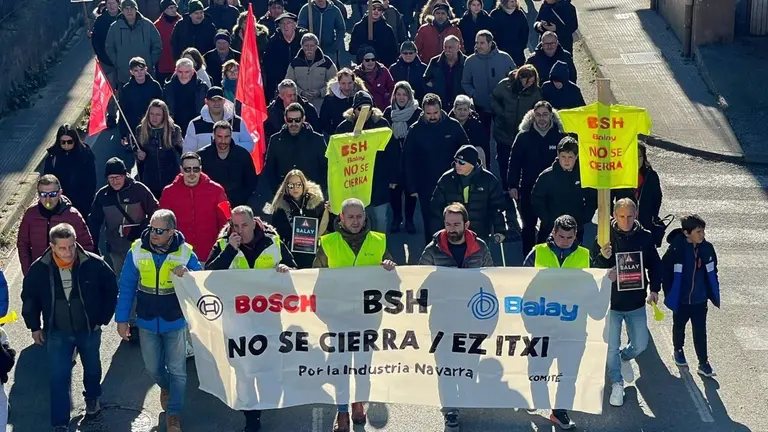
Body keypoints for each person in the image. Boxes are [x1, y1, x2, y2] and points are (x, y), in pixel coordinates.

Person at [205, 205, 296, 432]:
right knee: (244, 369)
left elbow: (295, 268)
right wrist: (229, 251)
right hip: (237, 319)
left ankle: (266, 398)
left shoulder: (272, 240)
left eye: (244, 225)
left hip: (268, 317)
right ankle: (251, 418)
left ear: (254, 222)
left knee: (266, 364)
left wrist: (286, 269)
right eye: (235, 225)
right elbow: (208, 278)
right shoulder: (224, 243)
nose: (239, 230)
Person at [21, 223, 118, 431]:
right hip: (57, 332)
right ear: (52, 246)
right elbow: (29, 299)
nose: (69, 252)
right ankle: (60, 422)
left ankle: (93, 399)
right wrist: (34, 327)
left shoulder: (94, 264)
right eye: (63, 248)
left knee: (92, 368)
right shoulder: (40, 269)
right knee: (58, 376)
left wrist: (102, 318)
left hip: (89, 330)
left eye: (72, 246)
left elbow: (111, 288)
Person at [312, 197, 397, 432]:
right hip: (338, 318)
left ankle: (358, 403)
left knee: (362, 367)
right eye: (351, 217)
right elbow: (315, 278)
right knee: (340, 367)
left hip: (368, 319)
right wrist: (324, 314)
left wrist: (390, 267)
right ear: (341, 218)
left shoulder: (378, 241)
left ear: (365, 217)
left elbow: (395, 280)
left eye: (359, 216)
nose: (356, 221)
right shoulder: (328, 243)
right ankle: (342, 411)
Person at [116, 210, 202, 432]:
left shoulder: (185, 253)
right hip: (146, 321)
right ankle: (165, 386)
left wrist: (189, 275)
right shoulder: (137, 250)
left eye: (159, 230)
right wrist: (122, 320)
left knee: (178, 370)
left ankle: (173, 414)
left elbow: (200, 284)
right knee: (153, 367)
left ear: (172, 231)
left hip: (175, 321)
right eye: (152, 228)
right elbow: (126, 287)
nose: (153, 234)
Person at [417, 201, 492, 430]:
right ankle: (450, 410)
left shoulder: (480, 247)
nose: (451, 229)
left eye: (456, 224)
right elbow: (419, 284)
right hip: (442, 320)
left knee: (469, 363)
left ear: (466, 224)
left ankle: (464, 395)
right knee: (446, 367)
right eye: (448, 224)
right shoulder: (432, 250)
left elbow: (491, 279)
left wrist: (490, 319)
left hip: (473, 320)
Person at [522, 214, 593, 430]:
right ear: (553, 233)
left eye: (569, 237)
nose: (564, 241)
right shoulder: (538, 252)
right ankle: (537, 399)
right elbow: (519, 283)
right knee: (537, 367)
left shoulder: (585, 255)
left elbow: (592, 287)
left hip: (573, 328)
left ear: (575, 236)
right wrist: (529, 322)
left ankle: (559, 412)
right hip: (542, 326)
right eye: (561, 236)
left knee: (568, 373)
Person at [590, 198, 662, 408]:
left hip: (636, 302)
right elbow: (591, 266)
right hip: (611, 303)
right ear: (614, 216)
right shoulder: (603, 237)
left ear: (636, 214)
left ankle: (625, 355)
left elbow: (655, 265)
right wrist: (604, 263)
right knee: (611, 346)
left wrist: (655, 289)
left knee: (641, 344)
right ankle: (617, 383)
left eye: (630, 216)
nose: (626, 220)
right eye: (622, 216)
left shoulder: (645, 238)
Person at [403, 93, 470, 240]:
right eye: (429, 114)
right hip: (426, 185)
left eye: (435, 113)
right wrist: (411, 187)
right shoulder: (415, 130)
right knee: (431, 222)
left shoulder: (453, 126)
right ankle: (433, 254)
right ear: (423, 112)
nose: (432, 116)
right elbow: (408, 160)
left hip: (453, 183)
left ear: (441, 109)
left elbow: (467, 151)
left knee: (453, 220)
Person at [662, 214, 719, 377]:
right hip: (681, 300)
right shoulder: (676, 249)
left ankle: (703, 362)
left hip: (699, 300)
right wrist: (668, 293)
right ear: (687, 233)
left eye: (703, 231)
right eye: (698, 232)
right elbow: (665, 271)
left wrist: (712, 291)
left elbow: (713, 270)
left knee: (700, 330)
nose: (702, 235)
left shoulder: (707, 248)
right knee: (679, 326)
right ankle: (678, 349)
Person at [335, 91, 398, 233]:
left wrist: (393, 177)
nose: (365, 112)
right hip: (355, 182)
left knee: (381, 218)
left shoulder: (381, 124)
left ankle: (381, 250)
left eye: (368, 108)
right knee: (357, 220)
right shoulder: (344, 127)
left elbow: (393, 152)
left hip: (378, 180)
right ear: (353, 109)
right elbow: (336, 155)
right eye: (360, 109)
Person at [507, 101, 565, 255]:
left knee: (548, 226)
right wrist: (512, 185)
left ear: (551, 115)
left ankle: (544, 256)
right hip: (528, 188)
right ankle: (528, 258)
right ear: (533, 116)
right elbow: (514, 162)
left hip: (552, 190)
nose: (541, 118)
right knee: (528, 227)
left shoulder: (560, 136)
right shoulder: (524, 136)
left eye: (545, 114)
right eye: (538, 115)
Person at [88, 157, 159, 277]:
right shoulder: (102, 195)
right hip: (115, 248)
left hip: (140, 246)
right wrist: (93, 246)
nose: (115, 181)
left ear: (125, 175)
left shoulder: (139, 189)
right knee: (121, 280)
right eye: (111, 178)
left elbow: (156, 212)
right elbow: (94, 221)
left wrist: (143, 229)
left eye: (118, 177)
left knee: (143, 278)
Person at [18, 174, 95, 276]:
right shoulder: (31, 215)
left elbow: (86, 246)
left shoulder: (73, 215)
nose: (48, 199)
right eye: (43, 194)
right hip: (40, 272)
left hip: (68, 273)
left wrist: (80, 272)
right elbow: (22, 244)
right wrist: (29, 272)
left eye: (52, 194)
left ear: (60, 193)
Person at [159, 152, 230, 262]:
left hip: (210, 255)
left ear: (201, 169)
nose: (192, 173)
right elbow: (162, 224)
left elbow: (226, 222)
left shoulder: (217, 190)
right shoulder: (169, 192)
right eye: (188, 169)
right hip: (178, 256)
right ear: (181, 170)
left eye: (196, 169)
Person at [430, 144, 506, 241]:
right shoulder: (446, 179)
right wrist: (440, 232)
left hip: (479, 235)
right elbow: (436, 207)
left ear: (472, 164)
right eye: (456, 161)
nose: (457, 165)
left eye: (461, 162)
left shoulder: (488, 180)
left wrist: (500, 230)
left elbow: (497, 208)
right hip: (453, 234)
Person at [531, 136, 596, 244]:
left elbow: (592, 198)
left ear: (576, 156)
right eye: (563, 156)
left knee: (573, 258)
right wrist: (546, 219)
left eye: (570, 157)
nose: (566, 161)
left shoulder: (584, 176)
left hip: (575, 228)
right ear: (558, 155)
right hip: (550, 228)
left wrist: (584, 217)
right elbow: (537, 198)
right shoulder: (547, 176)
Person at [490, 64, 542, 192]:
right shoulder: (505, 85)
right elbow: (493, 99)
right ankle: (505, 189)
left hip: (522, 134)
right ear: (520, 77)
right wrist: (501, 113)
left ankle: (518, 189)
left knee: (521, 163)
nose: (528, 84)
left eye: (532, 81)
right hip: (503, 132)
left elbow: (538, 108)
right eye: (526, 80)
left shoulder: (535, 92)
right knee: (503, 162)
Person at [265, 170, 328, 269]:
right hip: (292, 256)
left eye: (298, 185)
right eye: (291, 186)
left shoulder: (316, 203)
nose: (295, 188)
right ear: (286, 187)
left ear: (304, 185)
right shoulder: (280, 207)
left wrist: (330, 211)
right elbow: (277, 235)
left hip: (314, 253)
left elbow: (326, 226)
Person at [264, 103, 328, 193]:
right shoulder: (275, 140)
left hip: (311, 194)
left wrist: (319, 190)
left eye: (297, 120)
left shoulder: (317, 139)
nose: (293, 123)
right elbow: (269, 169)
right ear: (285, 119)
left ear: (303, 119)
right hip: (284, 195)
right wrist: (277, 191)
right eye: (290, 120)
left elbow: (326, 167)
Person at [383, 81, 421, 234]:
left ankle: (409, 220)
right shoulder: (387, 112)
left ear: (410, 95)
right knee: (394, 191)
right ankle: (396, 218)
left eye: (405, 94)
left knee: (410, 191)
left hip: (411, 159)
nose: (401, 97)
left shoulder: (417, 113)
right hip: (393, 159)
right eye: (398, 94)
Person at [197, 121, 259, 207]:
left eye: (226, 137)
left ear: (231, 136)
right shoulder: (202, 155)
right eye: (219, 137)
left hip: (239, 205)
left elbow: (251, 183)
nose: (223, 141)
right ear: (214, 135)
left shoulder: (242, 155)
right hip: (210, 205)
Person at [461, 29, 515, 128]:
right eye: (477, 42)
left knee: (502, 136)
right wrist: (474, 94)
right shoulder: (470, 61)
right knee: (483, 137)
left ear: (490, 43)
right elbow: (465, 82)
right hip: (481, 107)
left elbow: (514, 78)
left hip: (502, 106)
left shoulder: (505, 58)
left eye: (482, 43)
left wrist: (508, 94)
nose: (478, 46)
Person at [43, 124, 97, 217]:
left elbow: (91, 180)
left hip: (81, 203)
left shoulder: (85, 154)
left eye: (69, 142)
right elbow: (47, 179)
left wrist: (88, 200)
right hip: (59, 203)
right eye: (63, 142)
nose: (66, 145)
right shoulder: (53, 156)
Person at [134, 99, 185, 198]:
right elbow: (136, 151)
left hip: (171, 179)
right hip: (150, 180)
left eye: (158, 115)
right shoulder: (140, 129)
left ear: (164, 116)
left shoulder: (174, 130)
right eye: (151, 114)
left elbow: (183, 151)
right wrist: (138, 156)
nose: (154, 118)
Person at [105, 0, 162, 86]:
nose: (129, 11)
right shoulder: (114, 27)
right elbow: (109, 47)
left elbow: (157, 44)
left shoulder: (147, 25)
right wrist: (118, 63)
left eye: (132, 8)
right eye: (126, 9)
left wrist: (150, 61)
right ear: (122, 10)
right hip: (124, 75)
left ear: (136, 10)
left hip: (145, 74)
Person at [183, 86, 254, 152]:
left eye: (219, 99)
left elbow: (250, 144)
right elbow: (188, 151)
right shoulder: (195, 124)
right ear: (206, 101)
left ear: (224, 101)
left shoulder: (238, 121)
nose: (216, 103)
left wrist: (230, 148)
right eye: (212, 100)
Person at [612, 142, 662, 232]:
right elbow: (609, 199)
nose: (636, 160)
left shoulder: (651, 175)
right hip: (624, 223)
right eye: (632, 157)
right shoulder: (619, 176)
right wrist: (618, 216)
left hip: (645, 223)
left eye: (640, 157)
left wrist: (653, 216)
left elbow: (657, 198)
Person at [286, 33, 339, 112]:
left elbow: (335, 82)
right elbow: (289, 82)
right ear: (302, 46)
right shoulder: (295, 62)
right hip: (300, 104)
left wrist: (320, 92)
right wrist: (301, 92)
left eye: (312, 46)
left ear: (317, 46)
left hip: (322, 104)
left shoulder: (327, 62)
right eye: (306, 46)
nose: (309, 48)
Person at [119, 57, 163, 148]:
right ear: (131, 72)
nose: (139, 73)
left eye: (141, 69)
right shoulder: (126, 89)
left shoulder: (155, 86)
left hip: (153, 126)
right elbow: (123, 112)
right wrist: (123, 133)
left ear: (146, 69)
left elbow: (162, 107)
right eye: (136, 70)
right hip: (135, 127)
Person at [263, 12, 308, 101]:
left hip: (301, 80)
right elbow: (268, 65)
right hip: (280, 81)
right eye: (282, 24)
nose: (285, 26)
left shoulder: (303, 39)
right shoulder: (273, 42)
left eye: (288, 23)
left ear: (295, 24)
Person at [163, 58, 209, 135]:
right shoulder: (168, 87)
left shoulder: (202, 87)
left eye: (187, 72)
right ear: (175, 71)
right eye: (180, 72)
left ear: (193, 71)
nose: (183, 75)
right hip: (173, 127)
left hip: (196, 127)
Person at [348, 0, 399, 67]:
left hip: (382, 67)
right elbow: (352, 49)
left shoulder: (387, 29)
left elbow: (393, 51)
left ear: (382, 12)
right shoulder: (359, 27)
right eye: (373, 8)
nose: (376, 11)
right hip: (364, 68)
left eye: (379, 9)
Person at [423, 35, 466, 113]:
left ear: (458, 47)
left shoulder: (466, 63)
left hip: (460, 107)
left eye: (450, 47)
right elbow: (426, 80)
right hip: (439, 106)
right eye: (445, 47)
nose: (447, 50)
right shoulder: (434, 62)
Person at [319, 68, 368, 135]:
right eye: (343, 83)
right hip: (338, 137)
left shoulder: (364, 97)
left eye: (350, 83)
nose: (347, 87)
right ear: (338, 83)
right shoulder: (330, 99)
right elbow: (324, 121)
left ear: (354, 82)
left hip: (361, 136)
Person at [449, 94, 489, 164]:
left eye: (465, 109)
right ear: (454, 110)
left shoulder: (477, 125)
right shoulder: (448, 124)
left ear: (469, 111)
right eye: (459, 109)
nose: (462, 112)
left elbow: (483, 147)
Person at [489, 0, 528, 67]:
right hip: (500, 51)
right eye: (512, 1)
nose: (514, 3)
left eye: (515, 1)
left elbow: (525, 31)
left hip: (517, 52)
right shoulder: (495, 14)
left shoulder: (519, 14)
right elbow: (491, 32)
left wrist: (521, 47)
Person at [92, 0, 121, 88]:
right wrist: (103, 58)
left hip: (123, 60)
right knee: (109, 89)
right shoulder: (100, 21)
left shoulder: (125, 18)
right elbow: (96, 42)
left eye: (113, 3)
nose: (111, 6)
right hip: (106, 61)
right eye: (109, 3)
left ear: (118, 4)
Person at [153, 0, 182, 84]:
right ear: (164, 10)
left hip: (179, 63)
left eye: (175, 7)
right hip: (163, 64)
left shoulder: (182, 22)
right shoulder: (157, 26)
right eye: (171, 8)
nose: (174, 10)